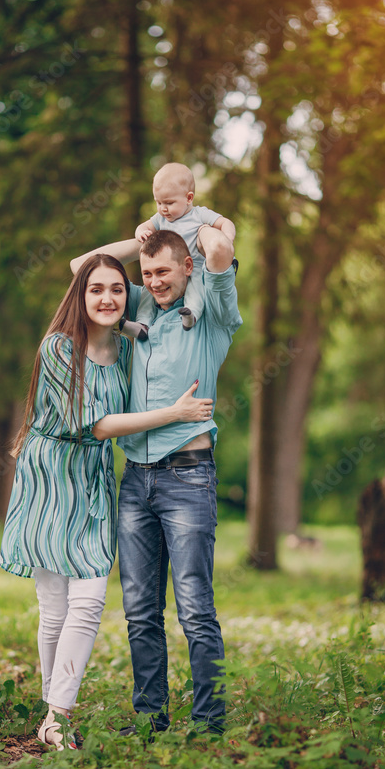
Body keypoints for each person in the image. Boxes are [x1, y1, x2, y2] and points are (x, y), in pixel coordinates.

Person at [0, 254, 214, 750]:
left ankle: (57, 715)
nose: (107, 299)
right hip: (50, 480)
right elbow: (94, 424)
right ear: (80, 294)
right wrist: (174, 413)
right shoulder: (58, 348)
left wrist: (168, 229)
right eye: (95, 289)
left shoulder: (129, 347)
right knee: (53, 610)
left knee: (90, 600)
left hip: (94, 480)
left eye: (117, 289)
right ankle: (53, 714)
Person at [70, 225, 242, 735]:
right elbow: (81, 269)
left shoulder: (211, 311)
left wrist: (196, 219)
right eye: (147, 275)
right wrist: (139, 237)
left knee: (194, 607)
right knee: (141, 610)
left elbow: (219, 250)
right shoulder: (139, 307)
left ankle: (209, 723)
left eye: (163, 271)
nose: (154, 282)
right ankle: (150, 718)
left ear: (186, 268)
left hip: (188, 478)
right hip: (135, 482)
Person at [120, 162, 236, 340]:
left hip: (194, 266)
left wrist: (227, 239)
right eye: (158, 202)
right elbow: (144, 226)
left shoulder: (199, 215)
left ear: (189, 198)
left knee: (196, 289)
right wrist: (140, 233)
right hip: (168, 269)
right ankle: (142, 324)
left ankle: (191, 315)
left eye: (169, 202)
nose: (163, 208)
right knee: (147, 293)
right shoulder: (161, 218)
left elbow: (226, 223)